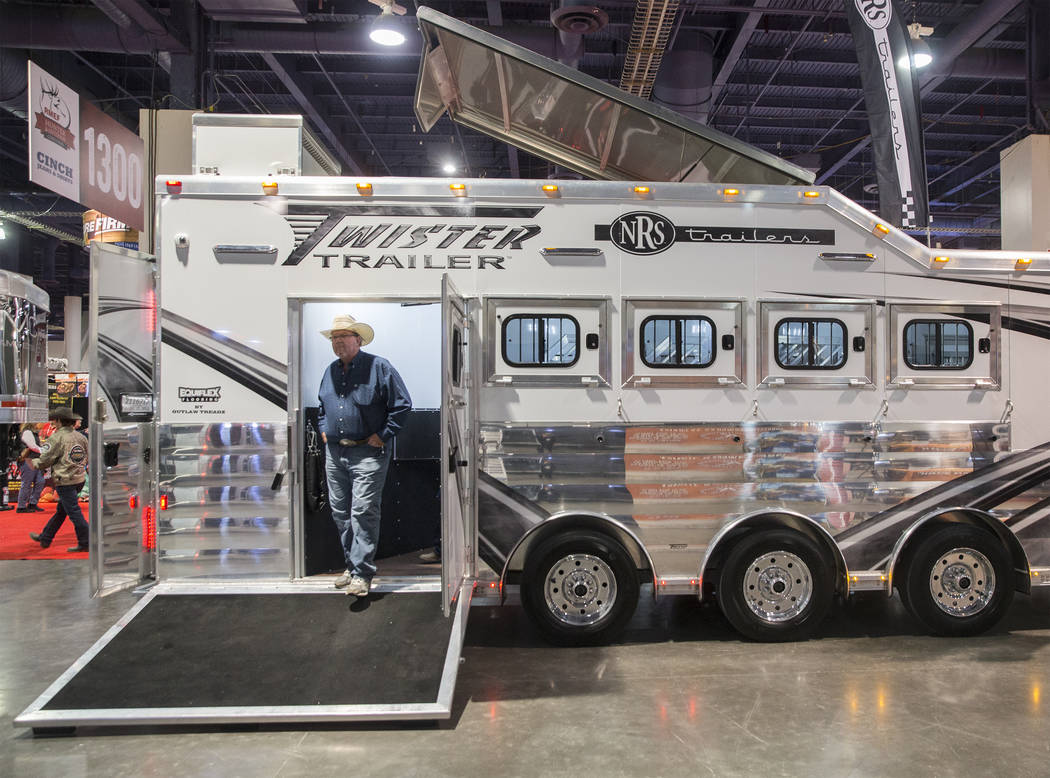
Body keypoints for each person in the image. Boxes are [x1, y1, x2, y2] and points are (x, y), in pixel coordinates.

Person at [318, 314, 412, 597]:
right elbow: (322, 406)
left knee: (362, 512)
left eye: (344, 337)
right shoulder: (330, 371)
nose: (338, 343)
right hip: (335, 452)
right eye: (334, 338)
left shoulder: (379, 367)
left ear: (357, 339)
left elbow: (403, 405)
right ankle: (351, 565)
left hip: (368, 452)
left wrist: (382, 435)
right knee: (340, 513)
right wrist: (324, 430)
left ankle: (362, 574)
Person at [28, 407, 90, 553]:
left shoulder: (57, 438)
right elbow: (87, 455)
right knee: (62, 510)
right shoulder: (80, 437)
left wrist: (33, 463)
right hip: (79, 479)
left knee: (74, 512)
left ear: (59, 420)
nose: (53, 423)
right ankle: (46, 537)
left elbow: (46, 459)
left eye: (54, 420)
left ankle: (86, 541)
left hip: (65, 480)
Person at [16, 422, 46, 513]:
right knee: (27, 483)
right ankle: (21, 506)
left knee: (40, 481)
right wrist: (43, 450)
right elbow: (32, 446)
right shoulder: (27, 432)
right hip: (28, 460)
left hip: (35, 459)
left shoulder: (34, 433)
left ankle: (33, 503)